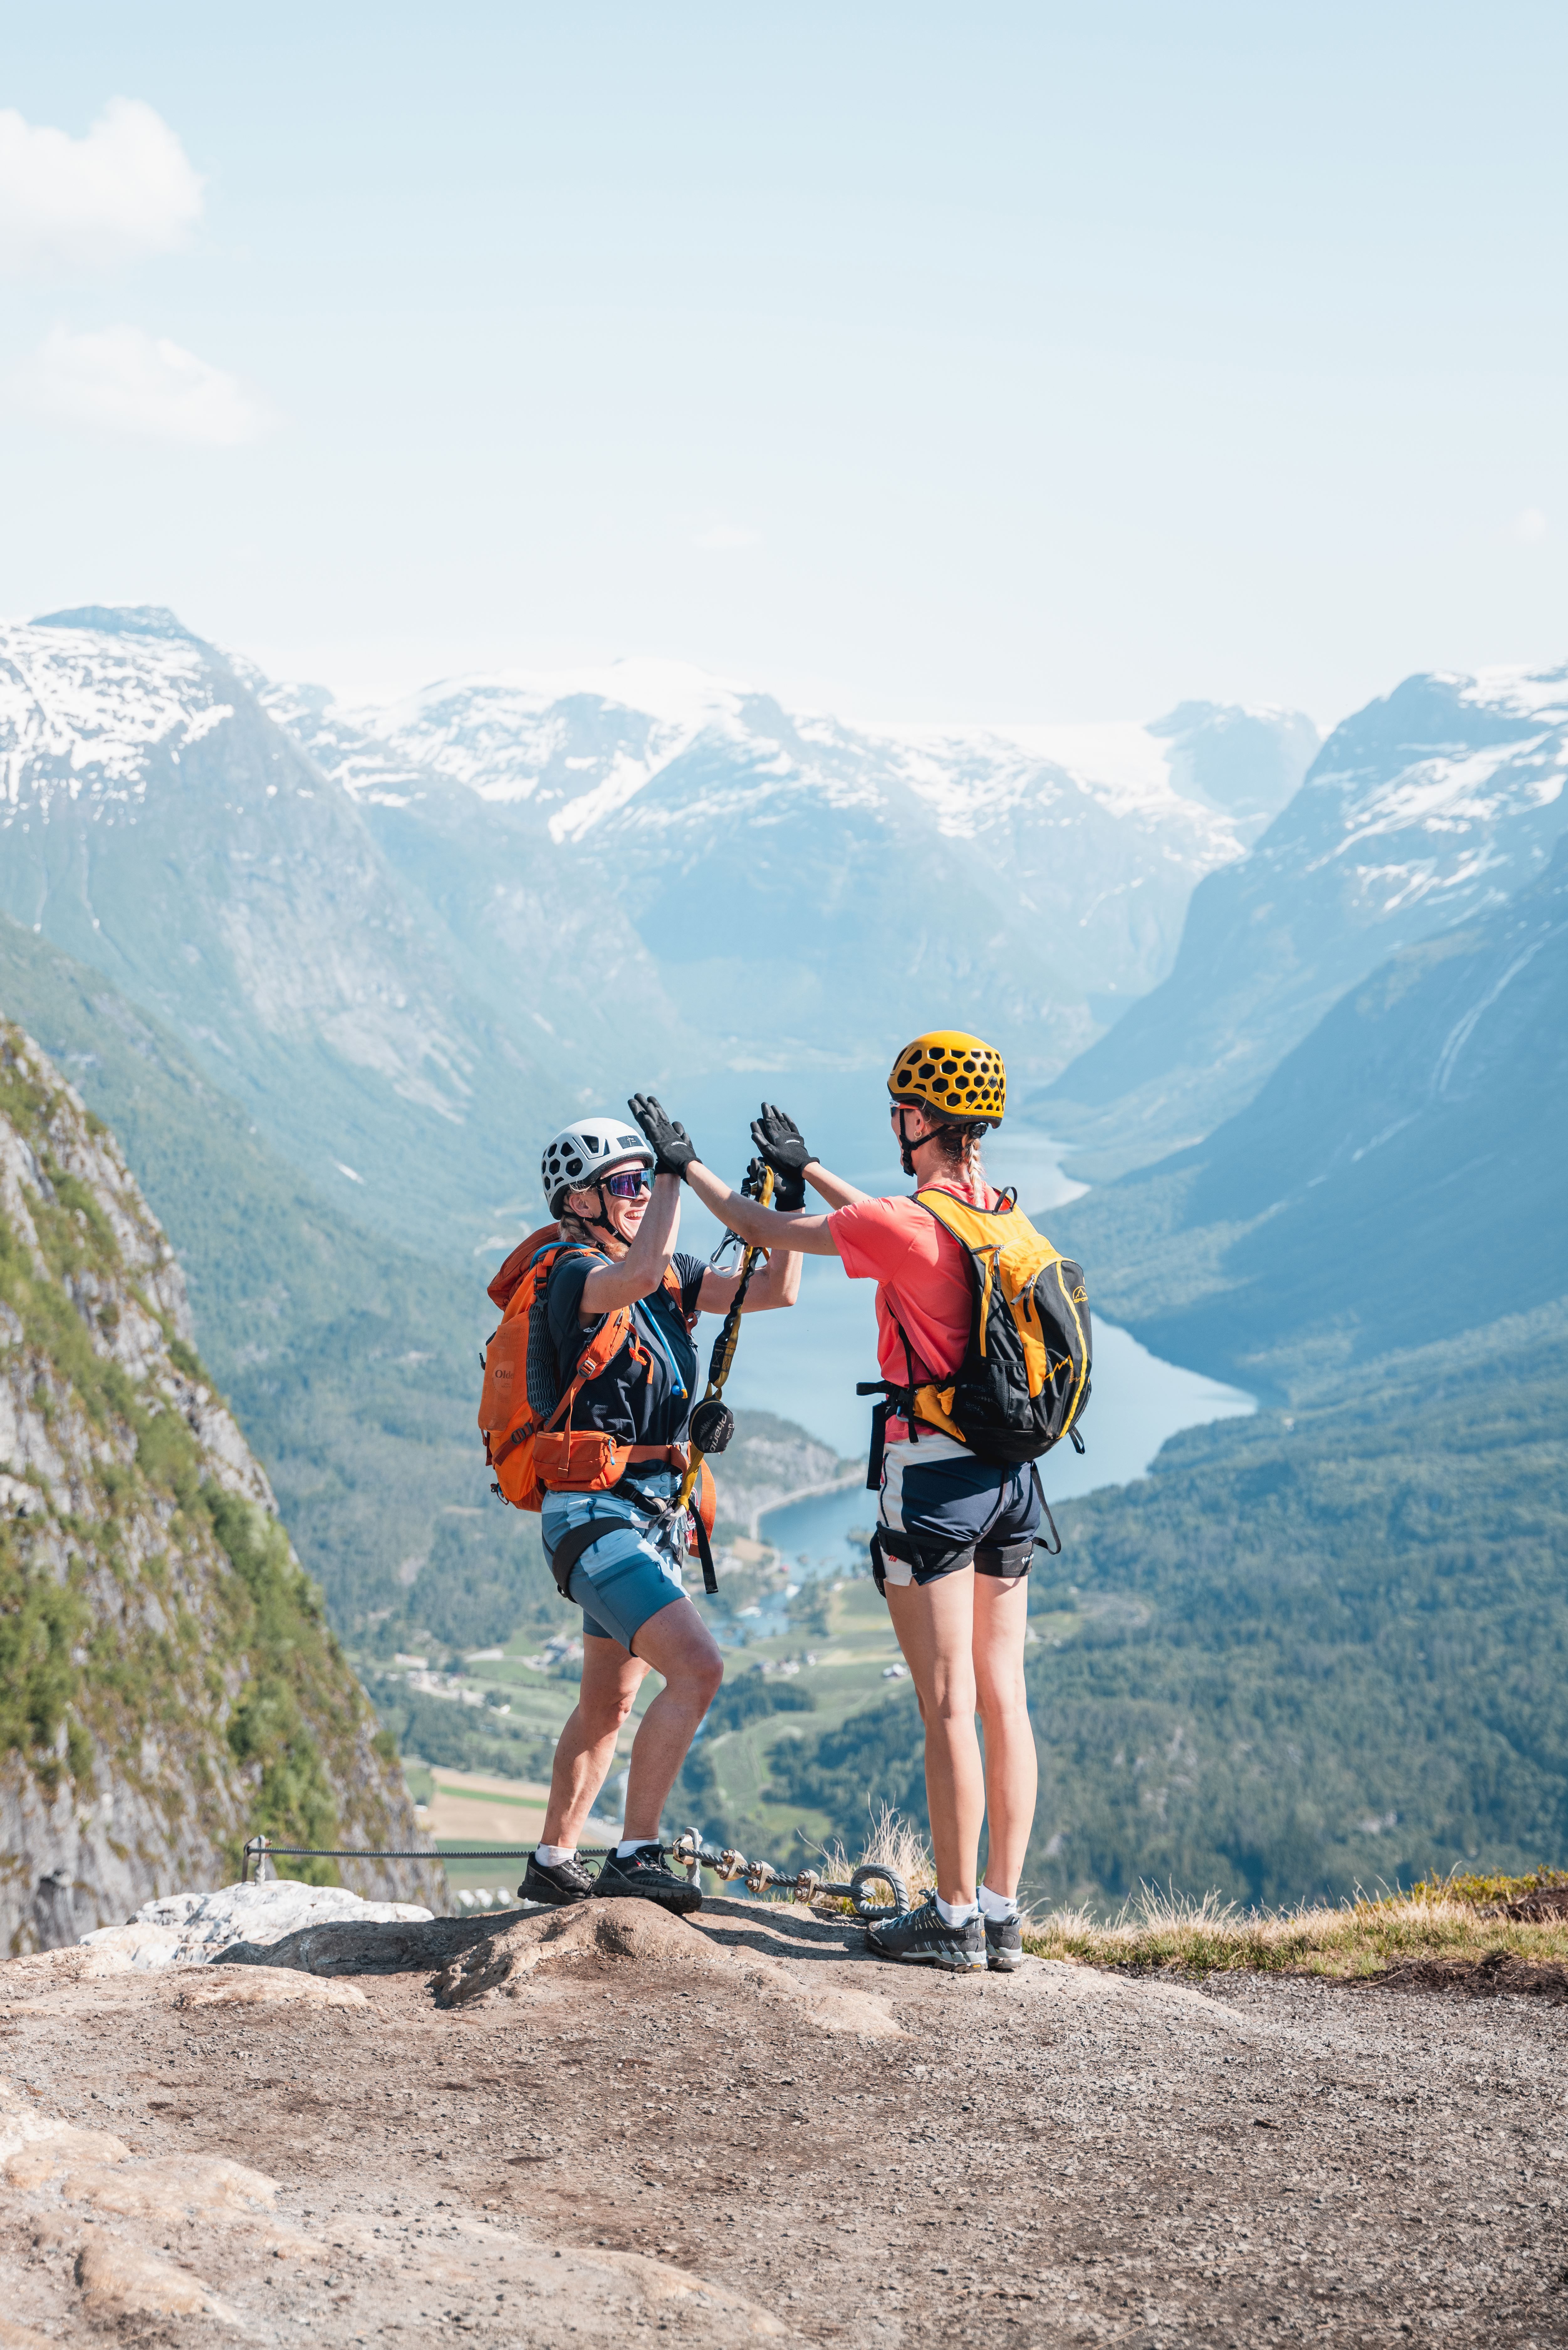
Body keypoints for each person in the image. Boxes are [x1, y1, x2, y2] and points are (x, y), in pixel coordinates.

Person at [628, 1037, 1040, 1972]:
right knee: (1002, 1697)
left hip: (932, 1479)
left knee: (946, 1704)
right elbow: (896, 1227)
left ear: (920, 1119)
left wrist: (683, 1161)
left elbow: (759, 1228)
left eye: (900, 1110)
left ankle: (949, 1919)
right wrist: (807, 1166)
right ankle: (1000, 1913)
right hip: (1012, 1479)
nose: (894, 1124)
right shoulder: (1002, 1219)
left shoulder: (909, 1223)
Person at [521, 1113, 803, 1915]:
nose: (641, 1192)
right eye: (625, 1183)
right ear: (579, 1201)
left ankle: (552, 1860)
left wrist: (784, 1199)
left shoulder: (673, 1273)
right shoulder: (570, 1274)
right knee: (699, 1668)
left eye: (645, 1179)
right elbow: (639, 1274)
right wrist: (678, 1172)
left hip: (648, 1515)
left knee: (606, 1703)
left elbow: (774, 1290)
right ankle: (636, 1853)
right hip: (593, 1514)